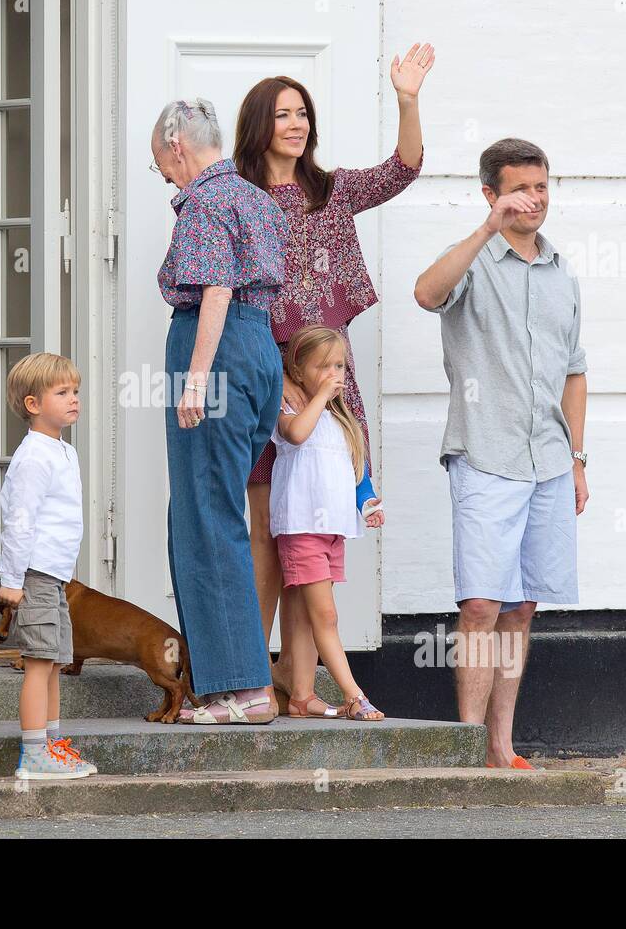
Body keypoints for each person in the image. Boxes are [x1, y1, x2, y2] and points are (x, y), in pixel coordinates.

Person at [233, 46, 431, 716]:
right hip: (271, 381)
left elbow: (403, 169)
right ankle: (248, 681)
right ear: (259, 124)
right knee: (267, 534)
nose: (296, 124)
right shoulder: (237, 200)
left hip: (329, 383)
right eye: (283, 114)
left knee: (309, 534)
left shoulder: (334, 189)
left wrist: (406, 98)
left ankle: (300, 690)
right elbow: (222, 295)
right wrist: (268, 374)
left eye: (303, 114)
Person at [412, 137, 589, 769]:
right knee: (482, 604)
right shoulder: (475, 260)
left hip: (547, 459)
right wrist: (488, 228)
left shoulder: (561, 271)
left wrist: (577, 459)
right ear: (491, 192)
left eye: (542, 187)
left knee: (519, 609)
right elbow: (425, 293)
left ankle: (499, 746)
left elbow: (574, 372)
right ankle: (464, 748)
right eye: (520, 188)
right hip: (484, 454)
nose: (535, 200)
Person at [151, 98, 288, 725]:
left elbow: (216, 288)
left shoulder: (206, 199)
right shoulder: (255, 194)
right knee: (218, 507)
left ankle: (242, 690)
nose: (165, 176)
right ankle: (236, 683)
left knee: (207, 516)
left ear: (178, 144)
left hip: (218, 352)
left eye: (161, 163)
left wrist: (195, 380)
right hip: (257, 348)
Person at [268, 326, 385, 720]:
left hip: (332, 530)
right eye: (323, 366)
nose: (334, 373)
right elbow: (296, 435)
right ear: (297, 372)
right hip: (301, 526)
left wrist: (367, 503)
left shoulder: (341, 421)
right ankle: (355, 695)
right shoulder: (289, 408)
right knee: (327, 616)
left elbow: (357, 471)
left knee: (303, 614)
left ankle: (302, 696)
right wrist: (318, 397)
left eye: (339, 365)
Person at [0, 354, 96, 780]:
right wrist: (14, 580)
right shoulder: (34, 456)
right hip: (33, 575)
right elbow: (19, 520)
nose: (74, 399)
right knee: (39, 661)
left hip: (53, 578)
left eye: (75, 391)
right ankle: (33, 753)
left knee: (54, 660)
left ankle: (52, 744)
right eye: (62, 393)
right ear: (33, 404)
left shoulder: (63, 451)